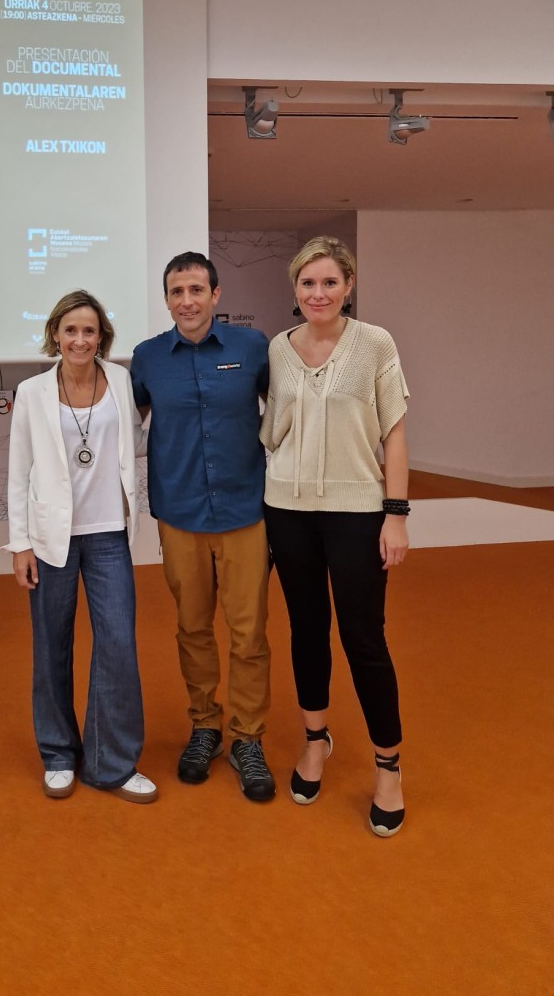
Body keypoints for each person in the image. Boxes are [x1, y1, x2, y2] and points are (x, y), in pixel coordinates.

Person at [261, 236, 409, 837]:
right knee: (306, 628)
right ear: (294, 290)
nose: (317, 293)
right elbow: (274, 431)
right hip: (287, 509)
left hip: (357, 510)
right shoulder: (278, 347)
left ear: (347, 286)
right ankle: (315, 740)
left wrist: (395, 513)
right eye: (307, 283)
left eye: (328, 282)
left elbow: (394, 432)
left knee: (363, 636)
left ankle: (388, 766)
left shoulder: (375, 344)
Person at [130, 251, 275, 802]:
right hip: (181, 513)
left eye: (196, 290)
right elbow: (121, 424)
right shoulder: (146, 359)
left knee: (248, 633)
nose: (186, 301)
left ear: (216, 296)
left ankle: (247, 737)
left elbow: (287, 411)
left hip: (245, 512)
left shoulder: (253, 348)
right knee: (192, 627)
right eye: (176, 292)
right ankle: (205, 726)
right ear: (166, 300)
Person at [5, 290, 157, 804]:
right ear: (55, 334)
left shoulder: (118, 379)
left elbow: (133, 442)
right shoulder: (30, 392)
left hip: (110, 533)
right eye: (70, 330)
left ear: (102, 338)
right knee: (52, 646)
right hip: (50, 539)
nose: (80, 339)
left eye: (89, 331)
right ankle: (57, 754)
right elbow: (18, 473)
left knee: (117, 646)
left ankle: (109, 762)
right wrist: (20, 542)